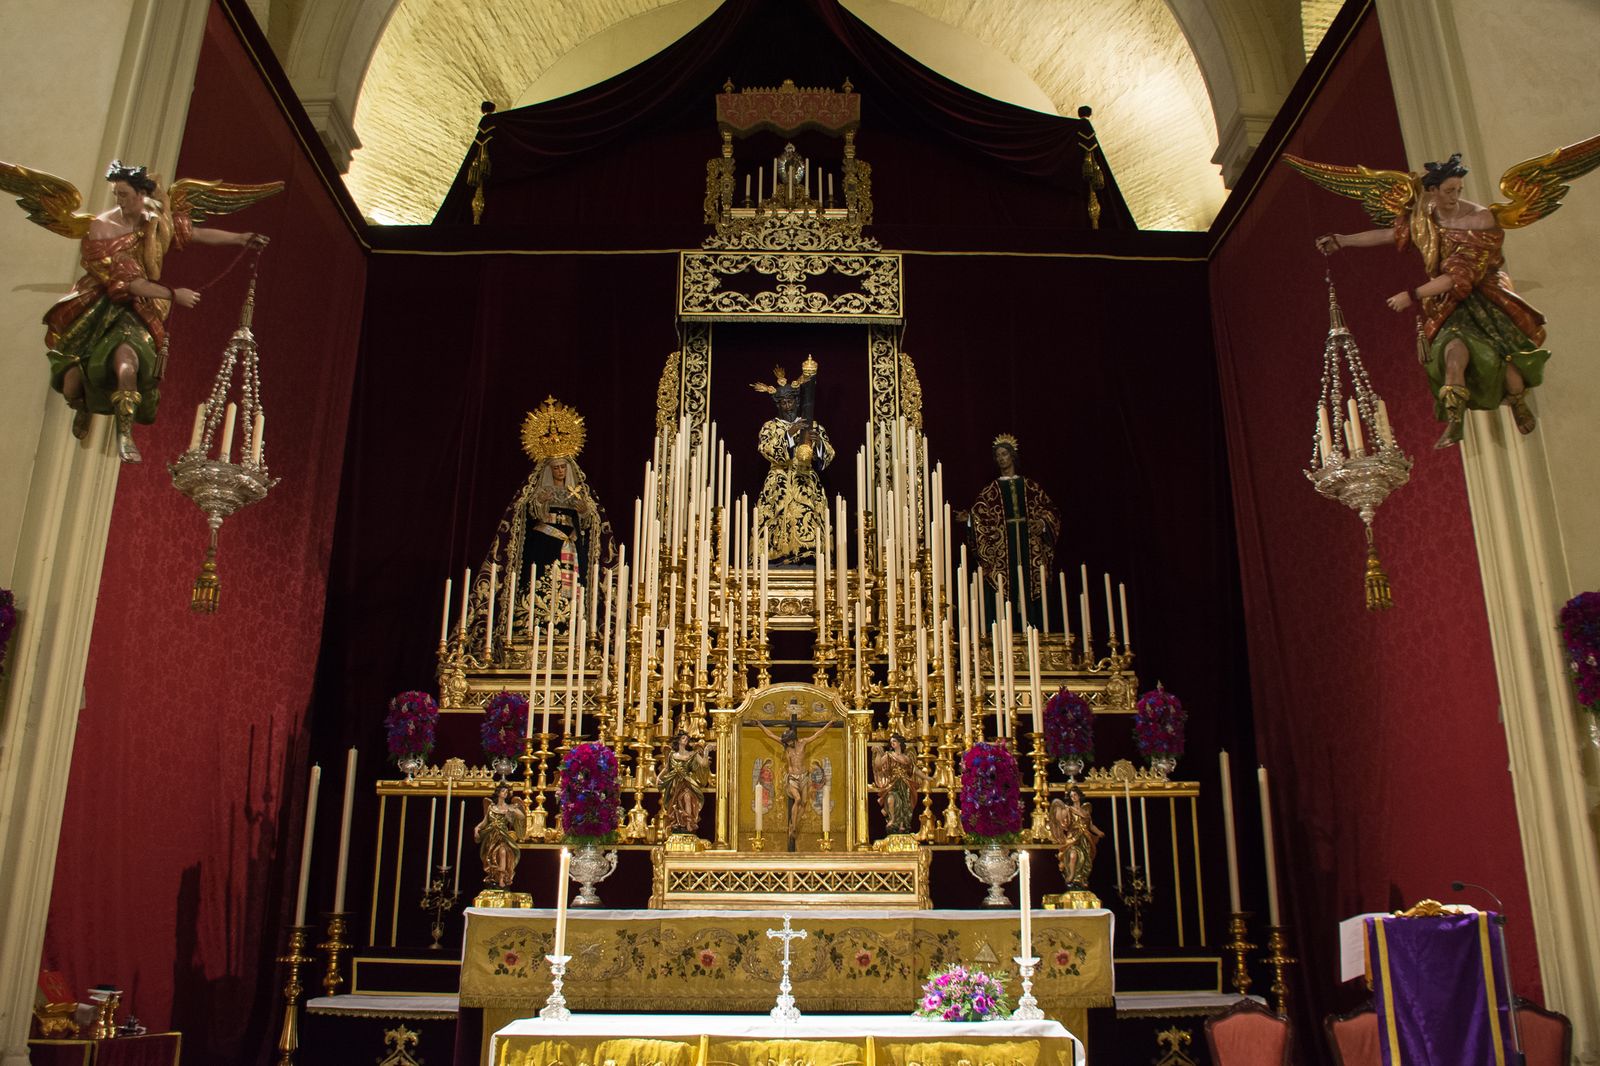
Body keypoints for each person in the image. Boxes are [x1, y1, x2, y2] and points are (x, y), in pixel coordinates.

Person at [1290, 137, 1600, 448]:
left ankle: (1518, 403)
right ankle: (1455, 421)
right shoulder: (1425, 218)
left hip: (1485, 296)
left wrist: (1410, 295)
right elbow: (1388, 234)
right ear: (1432, 191)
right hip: (1447, 303)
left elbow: (1458, 277)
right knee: (1453, 356)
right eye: (1449, 191)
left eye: (1458, 191)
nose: (1455, 197)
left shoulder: (1479, 219)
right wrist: (1343, 239)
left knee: (1505, 362)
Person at [0, 159, 279, 463]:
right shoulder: (102, 226)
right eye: (116, 194)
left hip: (135, 310)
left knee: (126, 365)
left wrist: (240, 239)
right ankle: (81, 404)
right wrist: (174, 294)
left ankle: (124, 432)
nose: (118, 201)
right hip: (97, 302)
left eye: (124, 194)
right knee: (71, 384)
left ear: (141, 194)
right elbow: (126, 283)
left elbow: (196, 235)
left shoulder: (156, 221)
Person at [960, 434, 1060, 626]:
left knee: (1033, 587)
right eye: (998, 455)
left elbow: (1050, 510)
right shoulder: (992, 490)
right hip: (1004, 555)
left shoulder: (1030, 487)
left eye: (1004, 454)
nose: (1001, 459)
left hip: (1030, 548)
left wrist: (1042, 523)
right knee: (1005, 590)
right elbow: (982, 516)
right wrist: (970, 519)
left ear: (1012, 456)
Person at [752, 358, 833, 561]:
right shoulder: (770, 427)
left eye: (791, 402)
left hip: (805, 483)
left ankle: (809, 556)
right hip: (779, 485)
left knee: (809, 518)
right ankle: (777, 556)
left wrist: (818, 444)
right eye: (783, 403)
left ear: (797, 402)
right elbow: (767, 449)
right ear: (777, 404)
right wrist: (789, 435)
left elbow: (828, 455)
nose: (788, 406)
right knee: (777, 520)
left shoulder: (811, 424)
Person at [754, 718, 830, 851]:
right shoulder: (786, 746)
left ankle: (793, 825)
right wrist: (760, 725)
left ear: (793, 738)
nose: (787, 743)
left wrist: (828, 725)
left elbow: (817, 735)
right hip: (793, 778)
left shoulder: (803, 742)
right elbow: (770, 735)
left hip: (804, 777)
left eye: (788, 741)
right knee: (798, 799)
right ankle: (793, 827)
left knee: (805, 802)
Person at [658, 731, 714, 834]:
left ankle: (689, 823)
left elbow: (704, 763)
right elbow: (667, 768)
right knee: (677, 804)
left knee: (687, 798)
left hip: (687, 782)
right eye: (683, 738)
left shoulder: (692, 754)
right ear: (678, 740)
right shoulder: (672, 755)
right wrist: (658, 777)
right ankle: (679, 823)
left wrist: (706, 752)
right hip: (676, 784)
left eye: (687, 739)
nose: (686, 740)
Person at [474, 783, 527, 888]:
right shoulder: (491, 807)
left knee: (503, 852)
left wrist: (514, 810)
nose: (505, 793)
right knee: (492, 857)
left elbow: (522, 817)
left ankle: (502, 880)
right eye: (503, 791)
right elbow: (485, 822)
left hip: (502, 834)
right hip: (491, 836)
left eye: (507, 792)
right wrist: (477, 828)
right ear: (498, 793)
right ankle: (494, 877)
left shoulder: (509, 807)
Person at [1048, 787, 1104, 888]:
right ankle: (1071, 876)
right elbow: (1059, 818)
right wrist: (1057, 810)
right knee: (1073, 856)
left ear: (1079, 796)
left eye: (1075, 795)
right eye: (1071, 796)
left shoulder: (1085, 812)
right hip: (1072, 838)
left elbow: (1091, 825)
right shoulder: (1069, 809)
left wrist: (1099, 832)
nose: (1073, 797)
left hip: (1085, 839)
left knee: (1085, 860)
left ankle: (1081, 878)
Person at [870, 733, 922, 835]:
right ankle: (893, 819)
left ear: (899, 743)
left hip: (905, 784)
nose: (892, 743)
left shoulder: (906, 757)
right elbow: (879, 766)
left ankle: (902, 824)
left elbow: (912, 769)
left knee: (904, 804)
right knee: (891, 799)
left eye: (894, 741)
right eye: (891, 742)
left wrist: (925, 776)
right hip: (893, 784)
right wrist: (878, 753)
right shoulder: (889, 755)